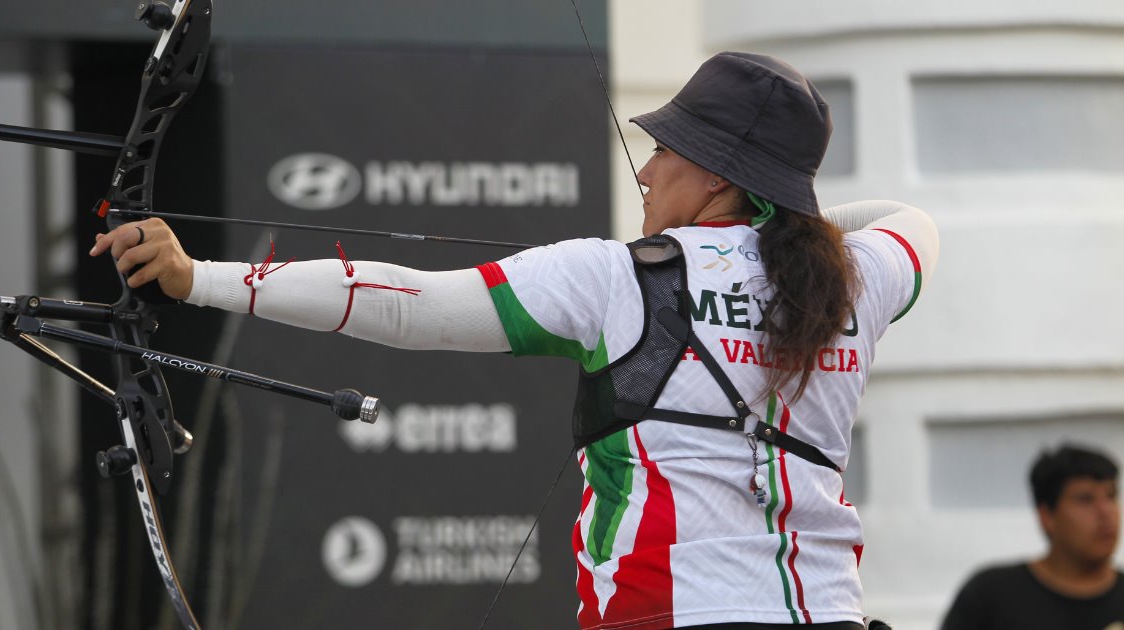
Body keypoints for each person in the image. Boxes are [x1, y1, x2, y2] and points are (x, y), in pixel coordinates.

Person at [91, 52, 937, 629]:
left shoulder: (621, 277)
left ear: (717, 173)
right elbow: (914, 223)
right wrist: (791, 239)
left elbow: (404, 305)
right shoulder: (854, 282)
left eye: (667, 151)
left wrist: (197, 276)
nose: (645, 170)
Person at [941, 445, 1124, 630]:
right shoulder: (991, 596)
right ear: (1047, 516)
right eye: (1085, 499)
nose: (1106, 512)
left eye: (1111, 496)